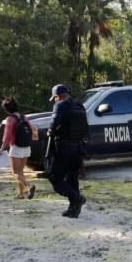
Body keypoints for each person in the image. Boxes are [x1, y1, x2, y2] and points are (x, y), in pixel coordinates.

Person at [47, 84, 88, 218]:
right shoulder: (80, 106)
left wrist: (50, 131)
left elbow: (54, 124)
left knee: (54, 177)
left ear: (58, 96)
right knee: (72, 178)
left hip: (64, 147)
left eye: (55, 98)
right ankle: (74, 209)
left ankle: (76, 199)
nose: (55, 100)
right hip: (78, 147)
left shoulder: (60, 105)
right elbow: (86, 128)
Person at [0, 98, 35, 200]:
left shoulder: (10, 119)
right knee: (20, 171)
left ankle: (29, 186)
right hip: (27, 147)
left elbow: (6, 137)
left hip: (16, 147)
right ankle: (20, 194)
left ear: (6, 109)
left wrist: (1, 149)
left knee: (15, 172)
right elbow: (31, 130)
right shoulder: (24, 117)